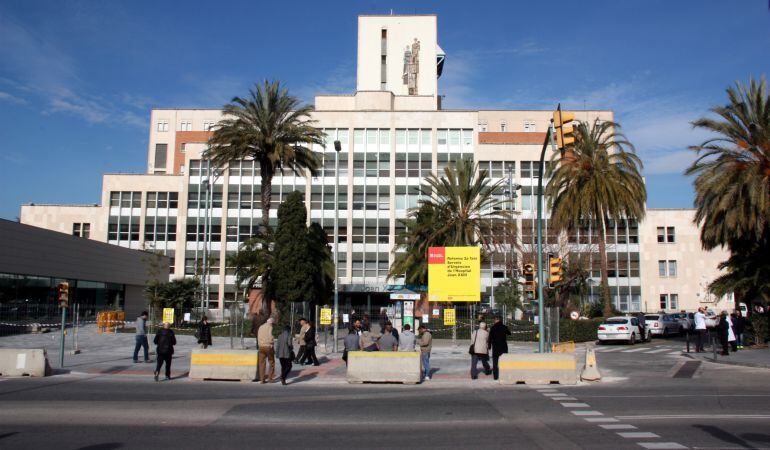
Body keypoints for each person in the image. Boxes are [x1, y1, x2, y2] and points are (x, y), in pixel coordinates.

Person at [488, 316, 511, 380]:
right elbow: (509, 333)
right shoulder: (504, 327)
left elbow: (490, 338)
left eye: (494, 320)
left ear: (496, 320)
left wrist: (489, 346)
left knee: (495, 362)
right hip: (503, 347)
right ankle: (504, 375)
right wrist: (506, 328)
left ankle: (495, 376)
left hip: (495, 347)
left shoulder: (493, 328)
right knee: (504, 362)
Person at [257, 318, 276, 383]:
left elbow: (258, 336)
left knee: (261, 363)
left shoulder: (261, 327)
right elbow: (271, 336)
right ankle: (270, 378)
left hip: (261, 347)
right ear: (271, 323)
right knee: (271, 362)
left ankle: (262, 379)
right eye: (273, 324)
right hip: (268, 346)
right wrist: (272, 343)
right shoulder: (270, 327)